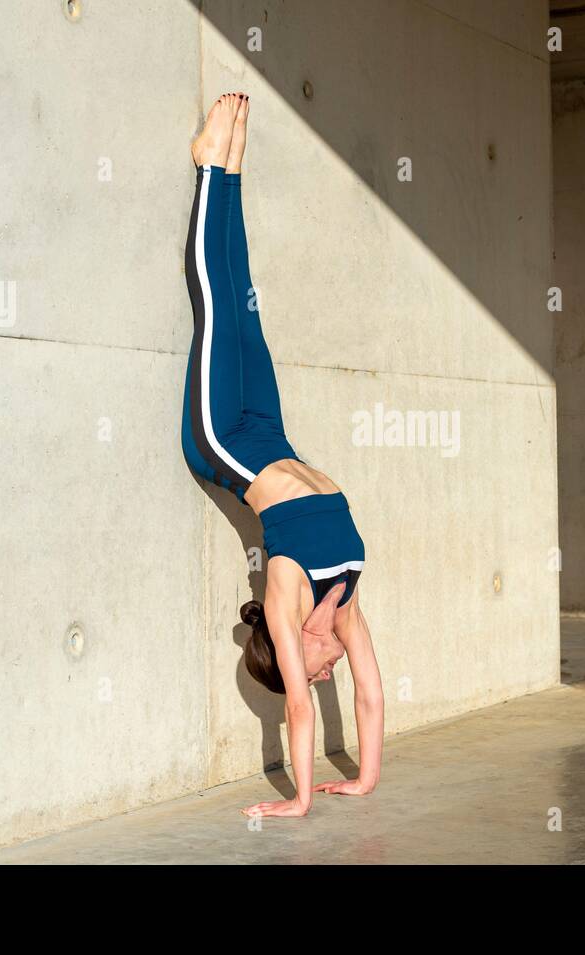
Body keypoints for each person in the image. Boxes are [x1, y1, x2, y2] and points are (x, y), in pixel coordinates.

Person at [182, 93, 383, 818]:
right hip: (271, 431)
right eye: (325, 667)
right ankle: (232, 171)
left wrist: (299, 800)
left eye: (314, 665)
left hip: (221, 441)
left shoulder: (288, 598)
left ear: (293, 642)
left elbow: (299, 707)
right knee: (247, 303)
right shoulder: (348, 603)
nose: (325, 674)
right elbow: (371, 691)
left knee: (218, 305)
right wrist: (362, 778)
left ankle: (209, 167)